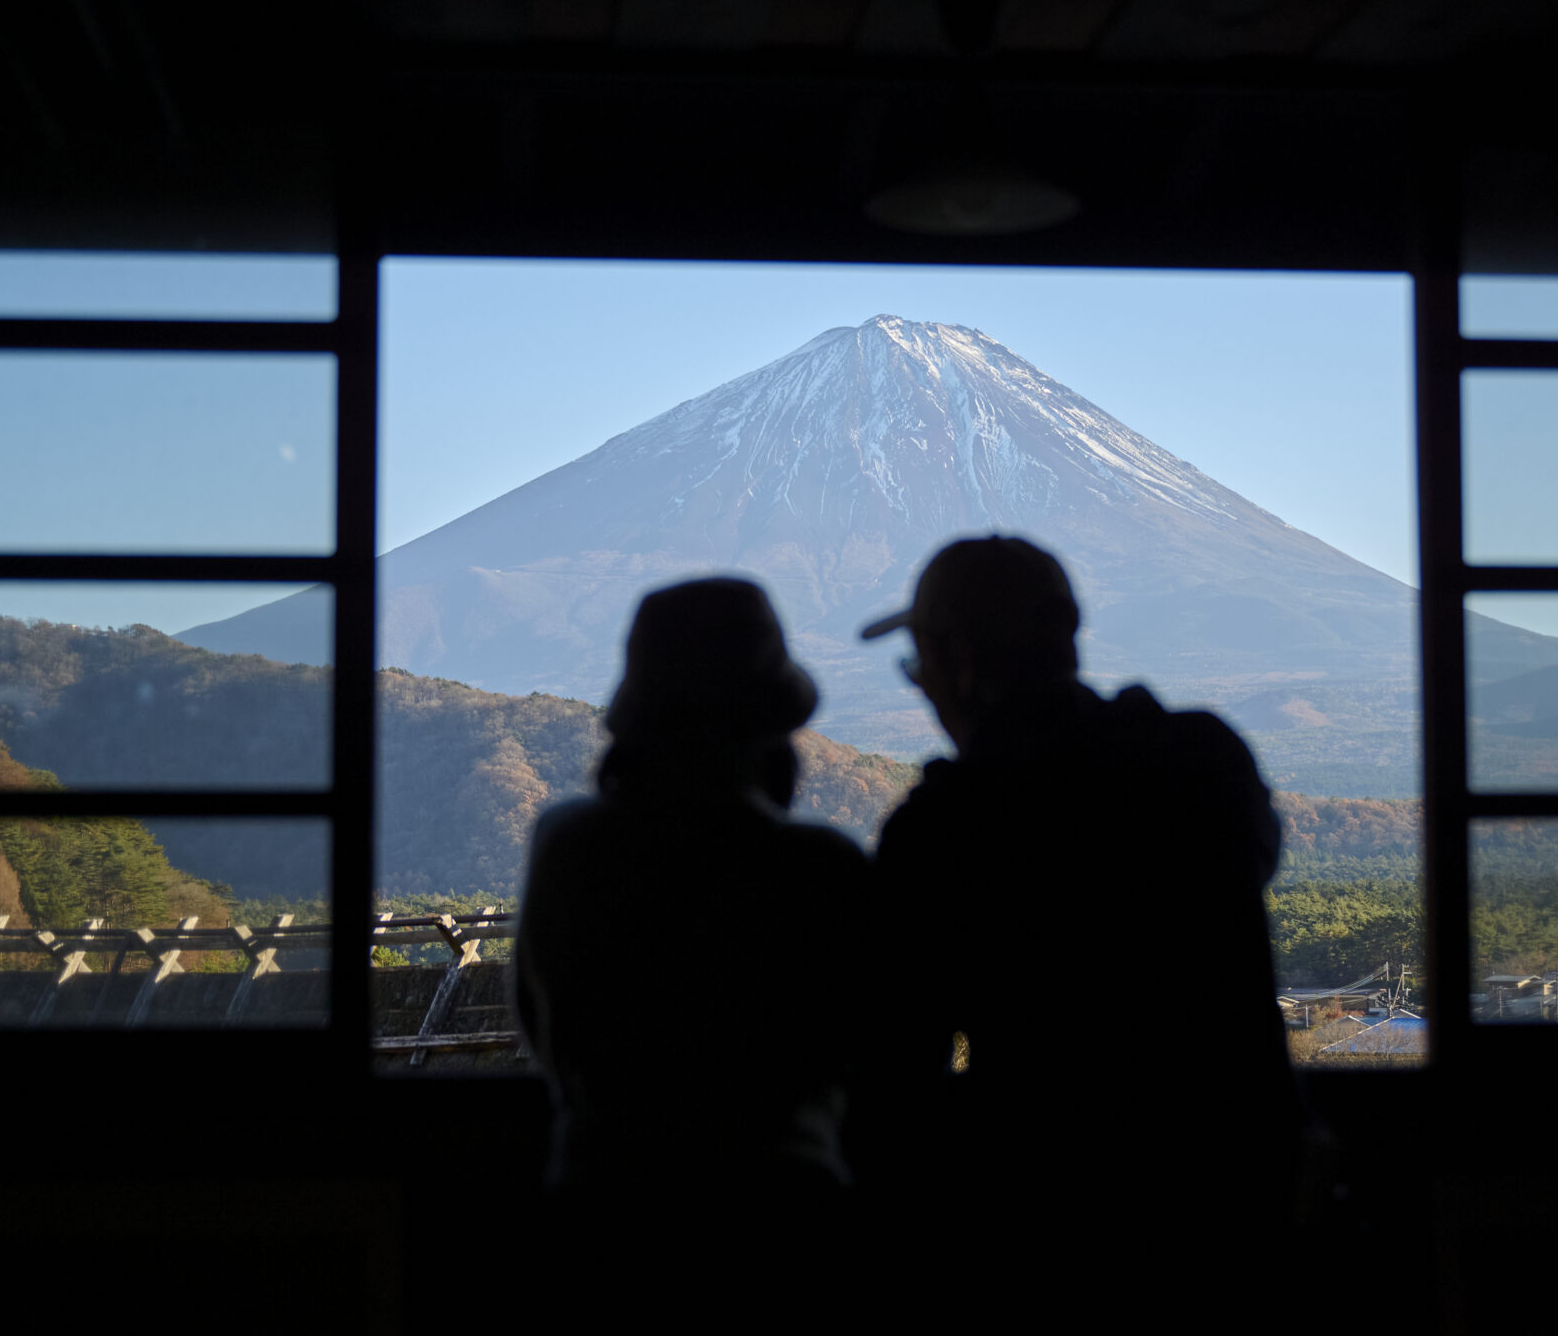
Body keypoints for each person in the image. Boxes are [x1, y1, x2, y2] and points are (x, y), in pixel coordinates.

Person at [856, 535, 1302, 1277]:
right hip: (1244, 1207)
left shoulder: (946, 830)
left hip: (1045, 1229)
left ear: (960, 663)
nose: (925, 689)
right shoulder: (1202, 762)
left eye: (918, 668)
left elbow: (895, 1077)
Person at [513, 576, 875, 1207]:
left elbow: (546, 1039)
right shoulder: (818, 866)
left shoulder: (567, 846)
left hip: (597, 1194)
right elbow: (876, 1061)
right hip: (788, 1193)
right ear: (771, 727)